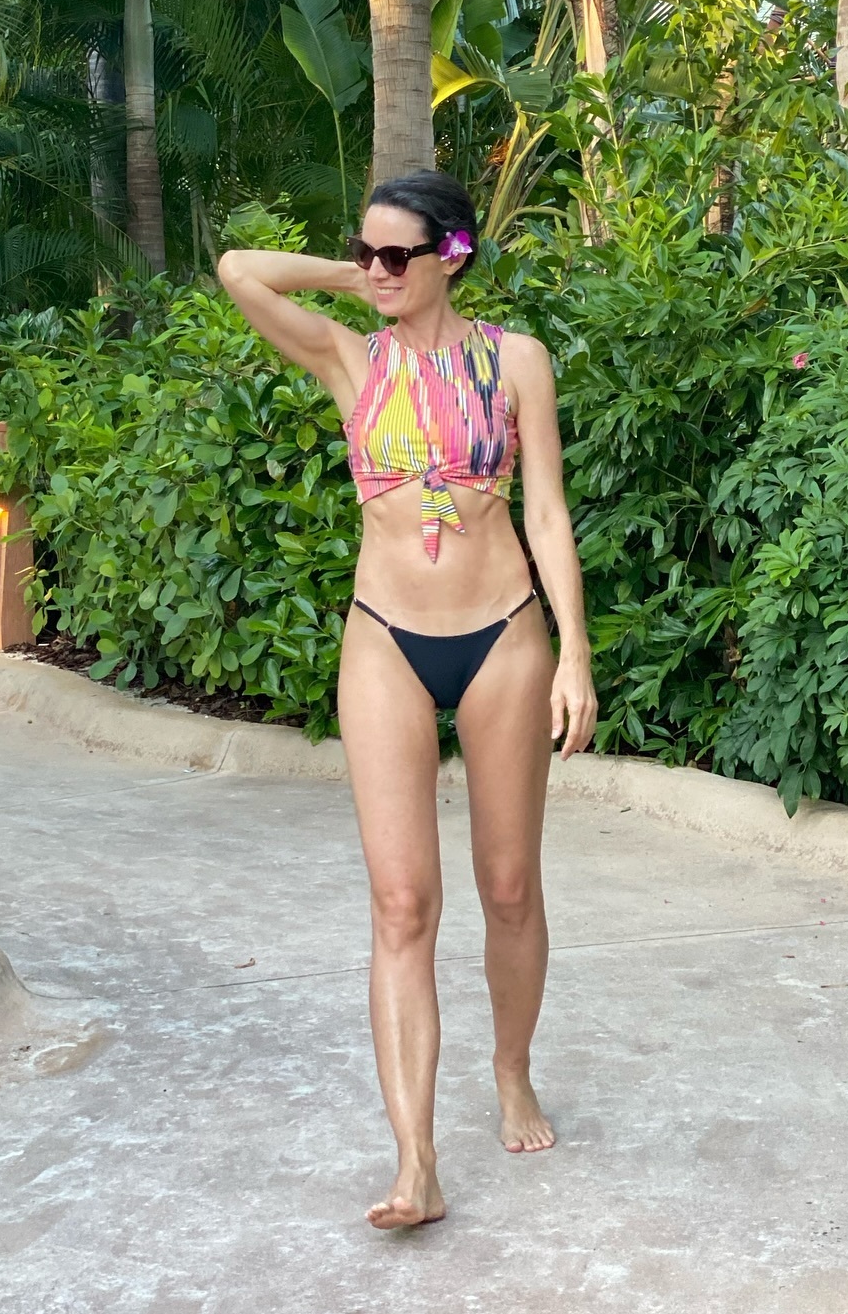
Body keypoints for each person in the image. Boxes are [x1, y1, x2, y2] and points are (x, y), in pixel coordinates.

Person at [217, 170, 598, 1230]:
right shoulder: (351, 357)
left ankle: (511, 1072)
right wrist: (359, 278)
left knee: (509, 887)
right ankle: (416, 1160)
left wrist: (574, 652)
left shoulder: (517, 361)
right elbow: (240, 270)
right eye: (365, 251)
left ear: (454, 255)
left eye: (398, 254)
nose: (375, 269)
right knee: (401, 904)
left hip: (504, 635)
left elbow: (547, 513)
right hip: (384, 636)